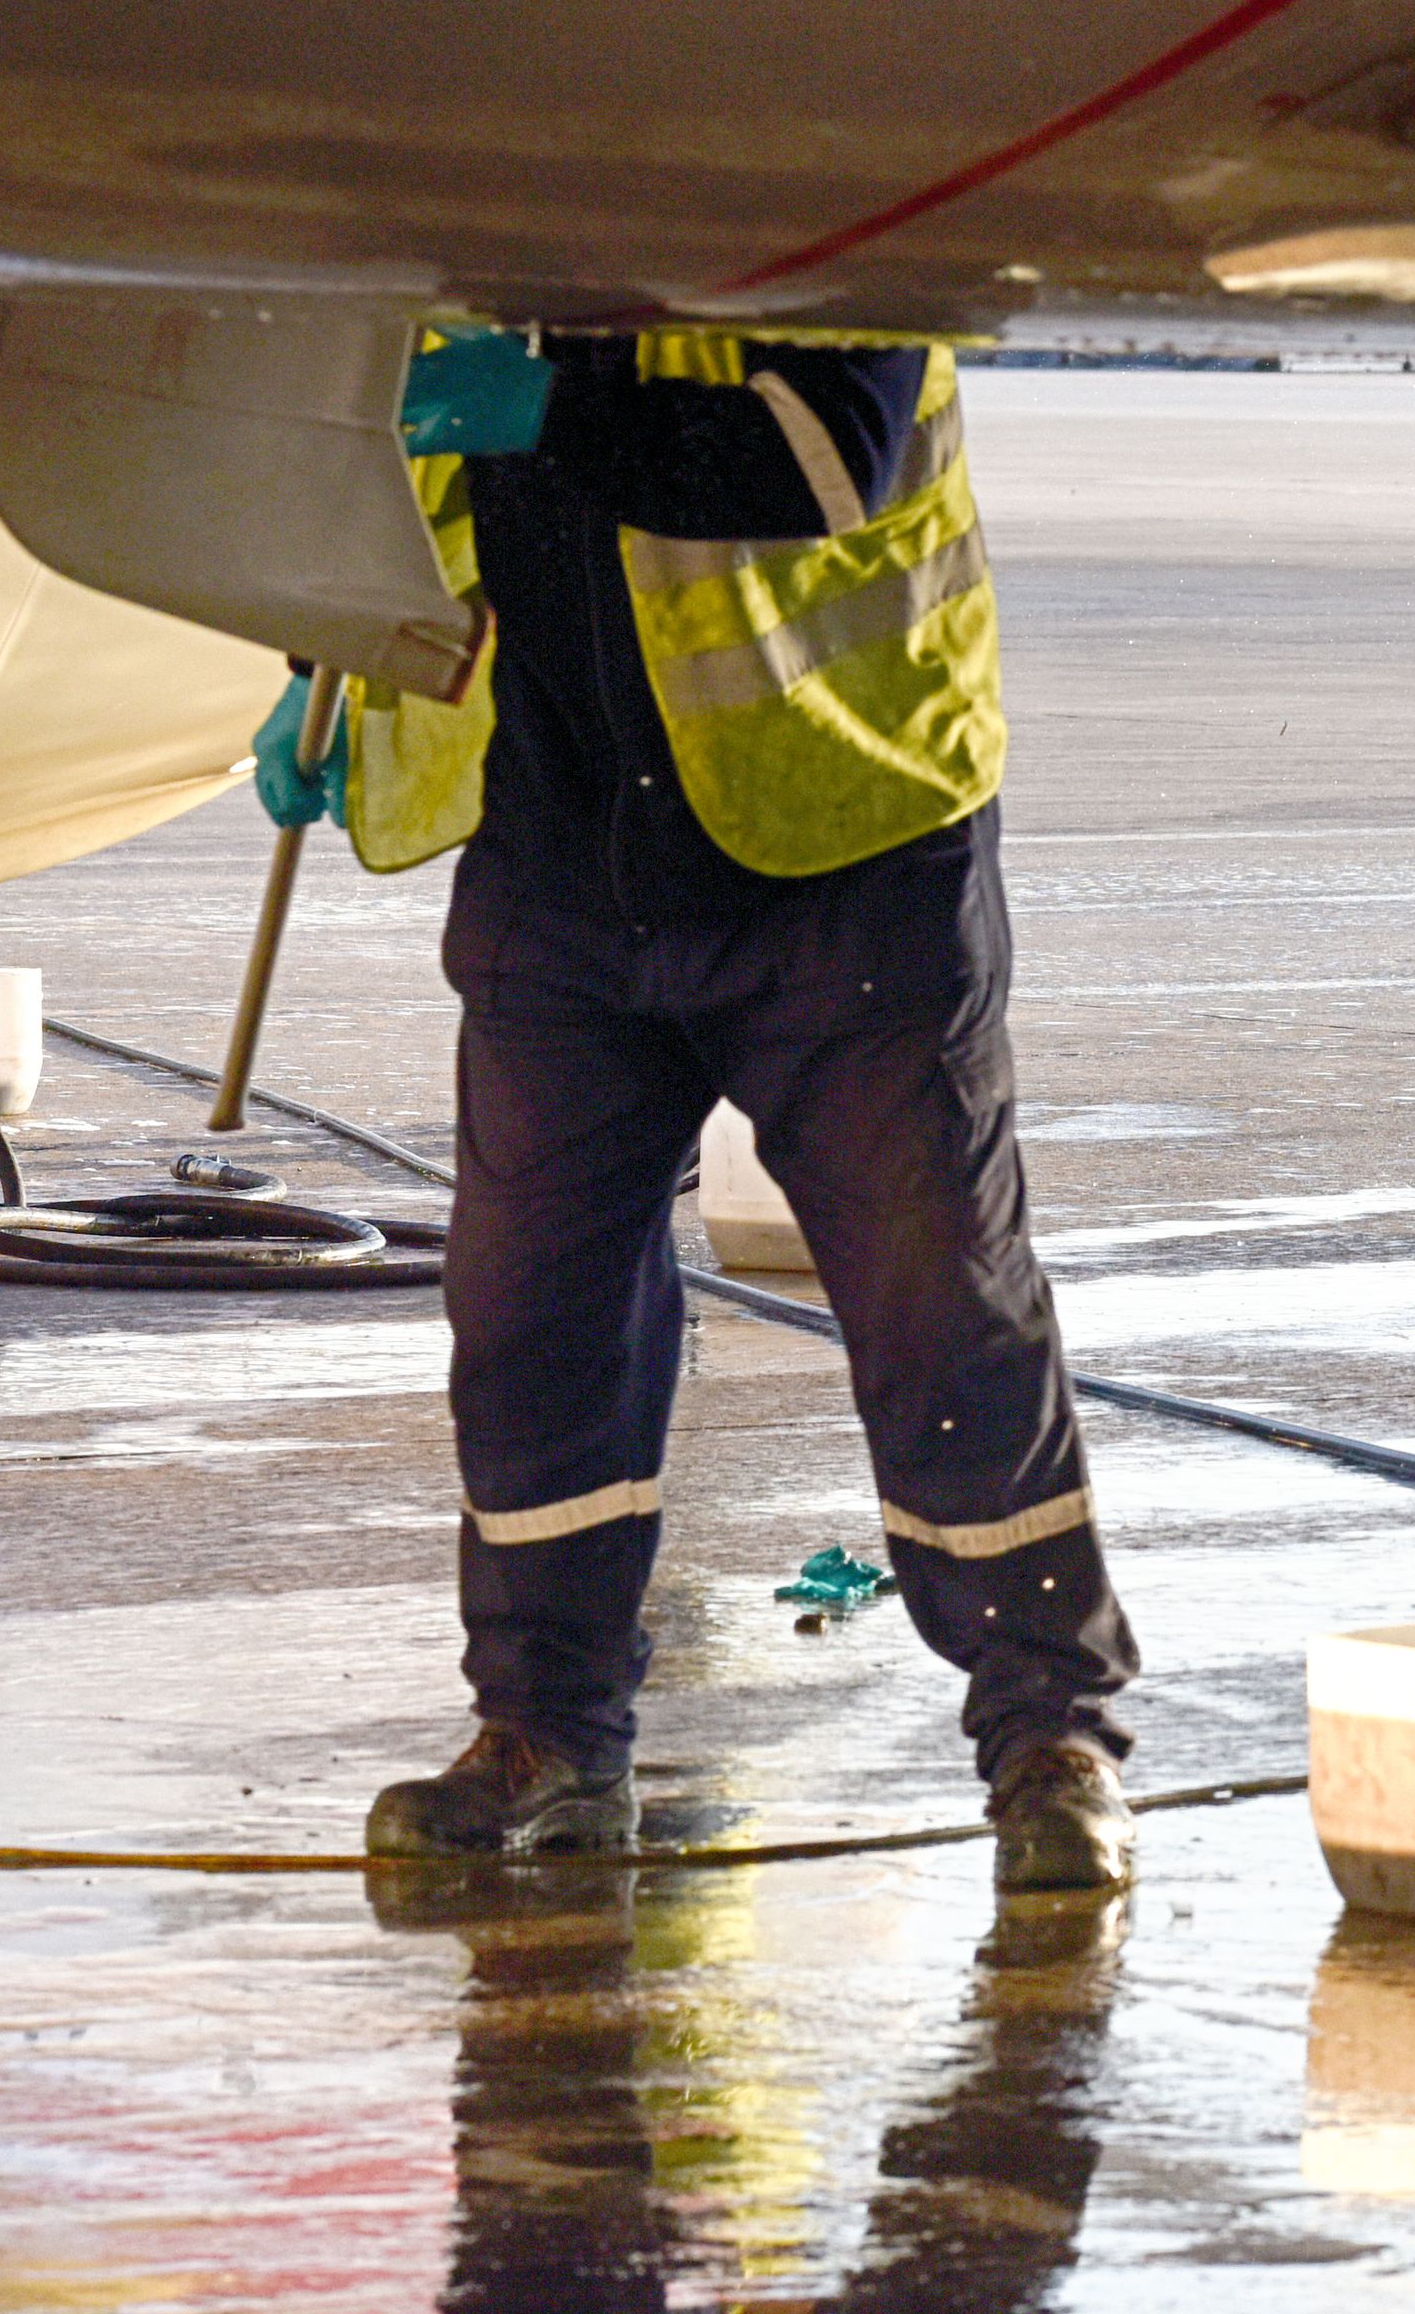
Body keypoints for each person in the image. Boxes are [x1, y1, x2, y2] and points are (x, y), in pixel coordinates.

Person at [318, 323, 1138, 1888]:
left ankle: (1052, 1737)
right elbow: (393, 498)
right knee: (529, 1324)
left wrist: (547, 406)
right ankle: (545, 1732)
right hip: (564, 859)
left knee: (940, 1317)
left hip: (841, 841)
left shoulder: (811, 221)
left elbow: (824, 459)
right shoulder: (467, 251)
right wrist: (319, 661)